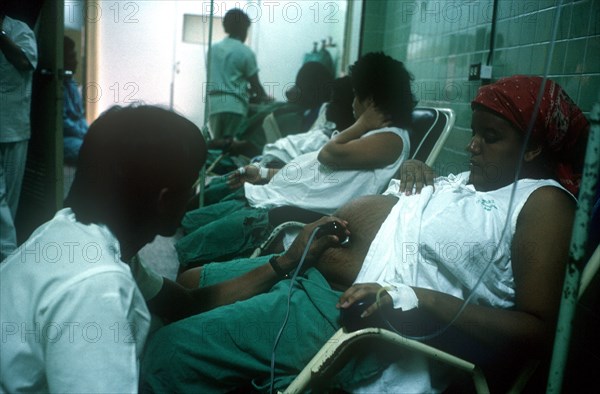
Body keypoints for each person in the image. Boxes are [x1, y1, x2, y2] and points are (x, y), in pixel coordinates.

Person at [140, 76, 589, 393]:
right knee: (188, 286)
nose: (473, 146)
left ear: (532, 145)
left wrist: (421, 298)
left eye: (490, 137)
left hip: (343, 311)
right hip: (310, 266)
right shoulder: (477, 182)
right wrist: (422, 174)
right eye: (475, 133)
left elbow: (539, 331)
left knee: (167, 353)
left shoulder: (543, 201)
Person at [0, 105, 207, 392]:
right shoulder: (98, 286)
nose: (194, 195)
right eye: (192, 186)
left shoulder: (70, 231)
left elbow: (183, 303)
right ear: (165, 200)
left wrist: (280, 264)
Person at [176, 52, 415, 267]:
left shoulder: (391, 139)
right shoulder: (370, 135)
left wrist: (362, 122)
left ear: (371, 101)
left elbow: (327, 155)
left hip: (278, 212)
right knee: (189, 223)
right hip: (269, 194)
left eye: (356, 96)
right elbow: (315, 169)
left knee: (189, 249)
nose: (352, 103)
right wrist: (264, 173)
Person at [0, 7, 37, 261]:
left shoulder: (20, 30)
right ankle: (7, 256)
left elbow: (25, 62)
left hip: (13, 130)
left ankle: (6, 262)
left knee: (9, 204)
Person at [206, 8, 270, 141]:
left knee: (216, 147)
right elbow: (255, 85)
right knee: (231, 149)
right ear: (243, 29)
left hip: (215, 106)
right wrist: (266, 98)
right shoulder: (245, 52)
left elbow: (224, 78)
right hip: (236, 108)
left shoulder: (213, 49)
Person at [62, 36, 88, 165]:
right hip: (65, 138)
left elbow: (80, 116)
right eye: (71, 57)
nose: (76, 62)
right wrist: (84, 135)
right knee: (91, 152)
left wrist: (89, 134)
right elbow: (63, 122)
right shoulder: (56, 87)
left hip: (78, 135)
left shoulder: (71, 83)